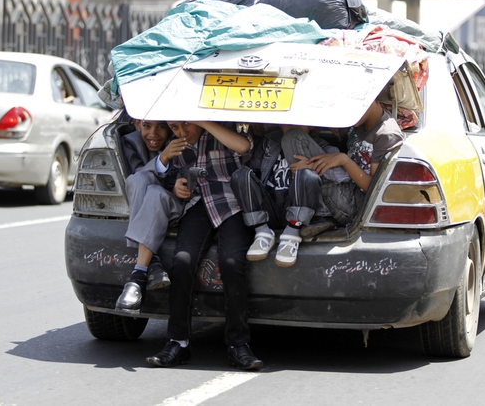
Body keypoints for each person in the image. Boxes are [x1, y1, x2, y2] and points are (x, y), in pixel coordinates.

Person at [146, 121, 264, 371]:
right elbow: (168, 175)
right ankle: (178, 342)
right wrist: (176, 185)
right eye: (174, 127)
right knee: (182, 261)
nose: (181, 133)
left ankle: (238, 344)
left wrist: (202, 122)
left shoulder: (222, 132)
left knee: (232, 262)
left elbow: (243, 146)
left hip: (231, 202)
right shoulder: (177, 144)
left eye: (185, 125)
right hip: (198, 205)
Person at [230, 124, 352, 268]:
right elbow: (253, 169)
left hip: (297, 210)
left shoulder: (321, 146)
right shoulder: (270, 142)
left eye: (299, 122)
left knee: (308, 176)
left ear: (312, 125)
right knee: (240, 175)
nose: (292, 126)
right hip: (270, 208)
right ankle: (262, 232)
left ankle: (291, 235)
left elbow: (343, 177)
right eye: (288, 121)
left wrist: (311, 165)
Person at [115, 119, 186, 312]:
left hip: (174, 206)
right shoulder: (131, 142)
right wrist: (162, 158)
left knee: (156, 192)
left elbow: (185, 173)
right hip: (148, 201)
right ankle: (150, 262)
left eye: (161, 126)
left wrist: (177, 185)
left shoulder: (180, 137)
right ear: (137, 125)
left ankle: (139, 273)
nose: (153, 134)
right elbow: (139, 179)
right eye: (147, 126)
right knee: (139, 179)